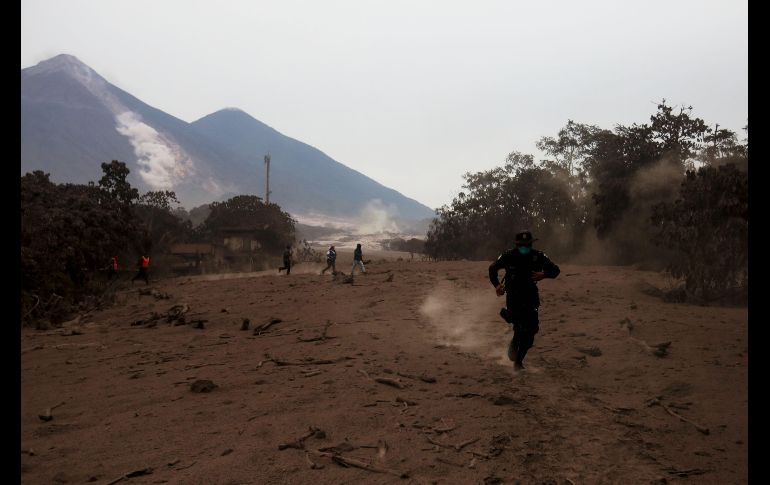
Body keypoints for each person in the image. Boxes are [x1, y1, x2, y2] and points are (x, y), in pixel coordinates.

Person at [488, 230, 560, 371]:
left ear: (531, 244)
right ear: (517, 245)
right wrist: (497, 285)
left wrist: (544, 274)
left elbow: (555, 270)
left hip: (531, 297)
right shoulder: (508, 256)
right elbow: (492, 269)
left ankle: (518, 362)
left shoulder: (538, 256)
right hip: (514, 297)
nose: (524, 247)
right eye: (522, 245)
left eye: (527, 245)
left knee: (531, 330)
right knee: (520, 326)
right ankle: (515, 350)